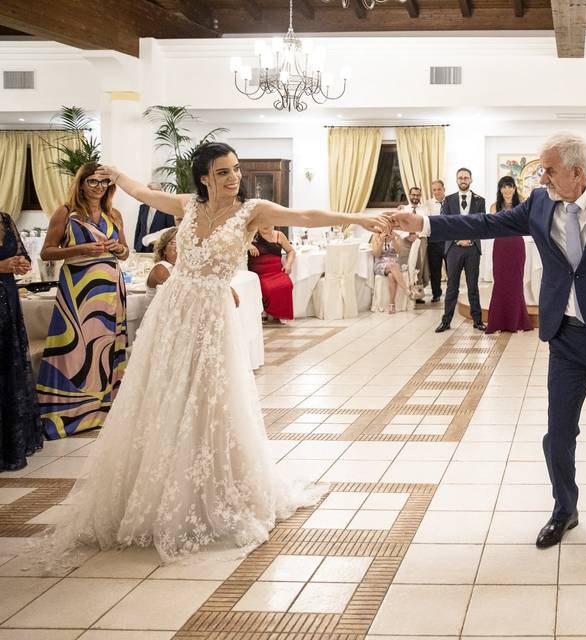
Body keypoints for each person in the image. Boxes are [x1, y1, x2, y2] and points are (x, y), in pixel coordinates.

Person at [36, 143, 390, 569]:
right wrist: (117, 173)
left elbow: (306, 217)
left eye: (236, 170)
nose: (233, 178)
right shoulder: (187, 205)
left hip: (211, 318)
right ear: (204, 177)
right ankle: (152, 487)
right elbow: (143, 195)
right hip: (173, 312)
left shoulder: (251, 210)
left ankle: (213, 491)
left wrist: (355, 217)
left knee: (209, 398)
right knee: (163, 394)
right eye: (223, 172)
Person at [392, 133, 586, 555]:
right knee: (558, 435)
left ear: (576, 172)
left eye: (548, 169)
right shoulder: (541, 203)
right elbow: (485, 224)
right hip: (565, 338)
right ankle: (565, 509)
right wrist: (424, 224)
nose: (539, 176)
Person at [36, 162, 130, 440]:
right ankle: (71, 413)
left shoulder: (114, 214)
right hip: (78, 287)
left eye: (104, 183)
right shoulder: (66, 212)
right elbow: (46, 252)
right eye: (93, 182)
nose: (99, 187)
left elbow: (125, 253)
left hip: (110, 289)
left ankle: (104, 409)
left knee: (106, 347)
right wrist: (80, 248)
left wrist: (119, 248)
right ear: (81, 183)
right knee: (77, 348)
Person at [0, 211, 43, 471]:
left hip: (8, 301)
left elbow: (22, 256)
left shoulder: (5, 220)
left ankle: (10, 444)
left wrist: (21, 264)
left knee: (8, 367)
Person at [436, 168, 486, 333]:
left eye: (466, 177)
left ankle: (477, 320)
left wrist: (470, 239)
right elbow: (444, 224)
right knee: (452, 286)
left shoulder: (480, 201)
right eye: (460, 178)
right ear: (456, 180)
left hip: (472, 249)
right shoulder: (448, 200)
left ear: (471, 179)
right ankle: (446, 321)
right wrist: (458, 239)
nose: (463, 180)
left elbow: (481, 224)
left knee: (473, 286)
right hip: (454, 249)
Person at [148, 227, 240, 309]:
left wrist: (223, 286)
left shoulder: (182, 269)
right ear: (164, 249)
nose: (178, 247)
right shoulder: (161, 268)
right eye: (174, 243)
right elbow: (186, 288)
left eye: (183, 243)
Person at [486, 176, 532, 334]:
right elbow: (493, 228)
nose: (507, 190)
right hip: (500, 246)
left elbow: (527, 224)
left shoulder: (523, 204)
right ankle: (498, 322)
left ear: (514, 188)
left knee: (516, 282)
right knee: (500, 282)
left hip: (516, 246)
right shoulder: (494, 207)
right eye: (504, 187)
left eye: (510, 186)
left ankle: (516, 321)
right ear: (500, 189)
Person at [248, 225, 295, 322]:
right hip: (259, 273)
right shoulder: (250, 235)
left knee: (287, 284)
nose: (265, 224)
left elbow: (291, 251)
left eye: (268, 222)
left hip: (277, 271)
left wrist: (288, 264)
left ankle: (281, 314)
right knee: (267, 288)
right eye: (262, 222)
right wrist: (248, 245)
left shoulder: (279, 235)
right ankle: (266, 311)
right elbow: (238, 245)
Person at [398, 186, 428, 304]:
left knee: (418, 267)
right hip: (405, 240)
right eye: (413, 195)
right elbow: (399, 225)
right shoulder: (403, 209)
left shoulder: (425, 210)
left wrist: (417, 235)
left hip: (420, 239)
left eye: (417, 195)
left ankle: (418, 295)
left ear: (420, 196)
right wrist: (407, 235)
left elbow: (427, 225)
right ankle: (406, 294)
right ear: (409, 195)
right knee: (405, 266)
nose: (415, 197)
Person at [370, 228, 408, 314]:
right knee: (392, 265)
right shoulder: (376, 236)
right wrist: (382, 241)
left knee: (391, 275)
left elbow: (399, 251)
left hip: (395, 264)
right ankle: (406, 290)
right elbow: (376, 254)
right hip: (381, 264)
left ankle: (391, 305)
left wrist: (394, 239)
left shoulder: (396, 235)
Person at [133, 182, 176, 253]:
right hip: (141, 247)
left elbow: (170, 231)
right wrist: (136, 245)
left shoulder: (166, 208)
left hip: (158, 248)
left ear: (159, 192)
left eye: (153, 191)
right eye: (148, 191)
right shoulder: (143, 207)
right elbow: (139, 228)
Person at [426, 180, 446, 303]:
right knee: (435, 270)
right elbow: (417, 212)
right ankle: (436, 294)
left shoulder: (450, 202)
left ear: (444, 189)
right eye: (434, 190)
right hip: (433, 241)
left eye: (439, 189)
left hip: (448, 240)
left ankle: (452, 293)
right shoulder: (427, 204)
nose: (437, 192)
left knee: (452, 269)